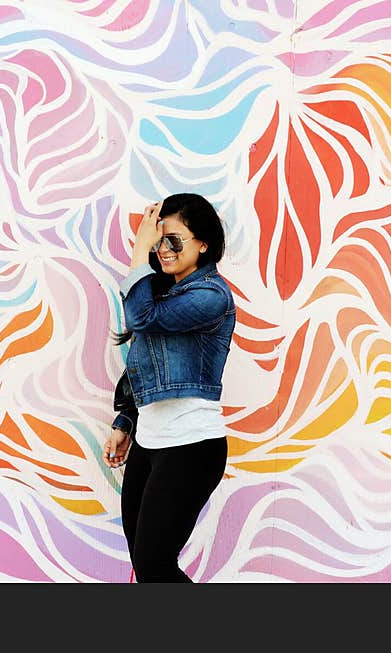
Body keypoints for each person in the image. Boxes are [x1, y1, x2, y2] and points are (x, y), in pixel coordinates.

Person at [103, 193, 235, 582]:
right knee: (148, 569)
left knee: (155, 565)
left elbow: (141, 317)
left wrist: (138, 253)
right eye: (159, 240)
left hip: (191, 447)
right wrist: (126, 420)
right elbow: (142, 362)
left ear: (203, 244)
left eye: (173, 240)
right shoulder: (162, 293)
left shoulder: (211, 296)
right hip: (150, 445)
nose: (163, 249)